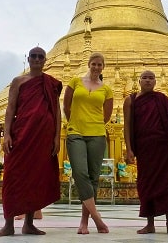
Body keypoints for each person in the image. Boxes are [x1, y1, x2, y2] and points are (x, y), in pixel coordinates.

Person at [0, 47, 62, 237]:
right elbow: (10, 109)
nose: (37, 59)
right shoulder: (19, 81)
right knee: (13, 177)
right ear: (28, 59)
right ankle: (8, 224)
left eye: (40, 57)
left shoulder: (50, 83)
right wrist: (7, 134)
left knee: (35, 179)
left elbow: (57, 111)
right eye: (34, 56)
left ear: (45, 60)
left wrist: (56, 137)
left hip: (43, 137)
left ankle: (29, 223)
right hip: (21, 134)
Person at [123, 70, 168, 235]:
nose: (148, 81)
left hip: (165, 148)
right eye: (145, 78)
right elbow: (127, 127)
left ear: (155, 82)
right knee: (147, 185)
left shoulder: (162, 99)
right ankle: (150, 224)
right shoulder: (131, 100)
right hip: (144, 149)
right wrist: (129, 149)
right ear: (139, 81)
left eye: (151, 78)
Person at [64, 52, 113, 234]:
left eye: (100, 65)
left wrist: (94, 125)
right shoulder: (75, 82)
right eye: (94, 64)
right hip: (75, 132)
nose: (96, 67)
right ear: (89, 64)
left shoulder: (106, 89)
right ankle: (97, 218)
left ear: (103, 67)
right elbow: (66, 106)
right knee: (80, 173)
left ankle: (84, 222)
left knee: (93, 178)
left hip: (97, 135)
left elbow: (106, 116)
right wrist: (74, 122)